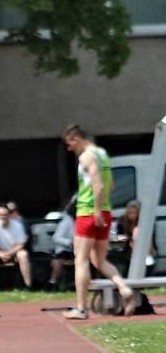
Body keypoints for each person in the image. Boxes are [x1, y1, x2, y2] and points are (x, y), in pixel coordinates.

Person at [61, 124, 135, 319]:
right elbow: (111, 185)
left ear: (76, 138)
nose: (69, 149)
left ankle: (81, 308)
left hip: (88, 213)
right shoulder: (102, 153)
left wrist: (95, 211)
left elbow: (99, 185)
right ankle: (124, 288)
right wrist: (102, 210)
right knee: (99, 260)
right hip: (105, 212)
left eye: (69, 144)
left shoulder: (87, 156)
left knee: (81, 260)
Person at [0, 204, 32, 291]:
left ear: (9, 215)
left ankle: (28, 286)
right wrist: (0, 254)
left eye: (4, 215)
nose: (2, 217)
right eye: (0, 215)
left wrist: (9, 253)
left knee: (23, 254)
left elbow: (20, 245)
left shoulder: (18, 226)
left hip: (14, 254)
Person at [45, 201, 76, 292]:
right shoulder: (67, 221)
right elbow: (56, 237)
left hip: (76, 250)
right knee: (60, 258)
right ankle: (52, 282)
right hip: (65, 249)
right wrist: (70, 242)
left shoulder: (79, 221)